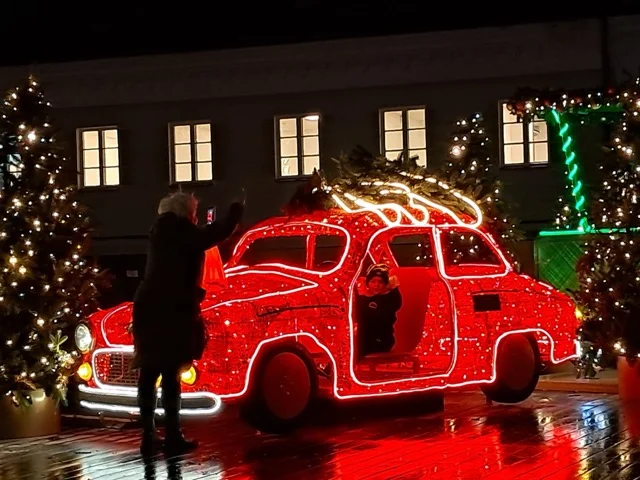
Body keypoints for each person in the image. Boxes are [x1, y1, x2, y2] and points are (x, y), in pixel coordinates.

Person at [132, 191, 244, 456]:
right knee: (170, 372)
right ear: (185, 211)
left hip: (149, 306)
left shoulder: (161, 230)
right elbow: (210, 236)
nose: (196, 217)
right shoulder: (179, 229)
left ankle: (148, 436)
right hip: (170, 309)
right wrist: (234, 214)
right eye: (194, 212)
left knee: (149, 372)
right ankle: (172, 434)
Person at [355, 263, 402, 359]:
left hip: (381, 341)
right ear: (368, 283)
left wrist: (394, 288)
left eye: (380, 282)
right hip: (363, 340)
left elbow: (395, 302)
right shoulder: (363, 300)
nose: (376, 285)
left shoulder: (388, 300)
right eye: (373, 281)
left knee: (355, 348)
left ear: (386, 284)